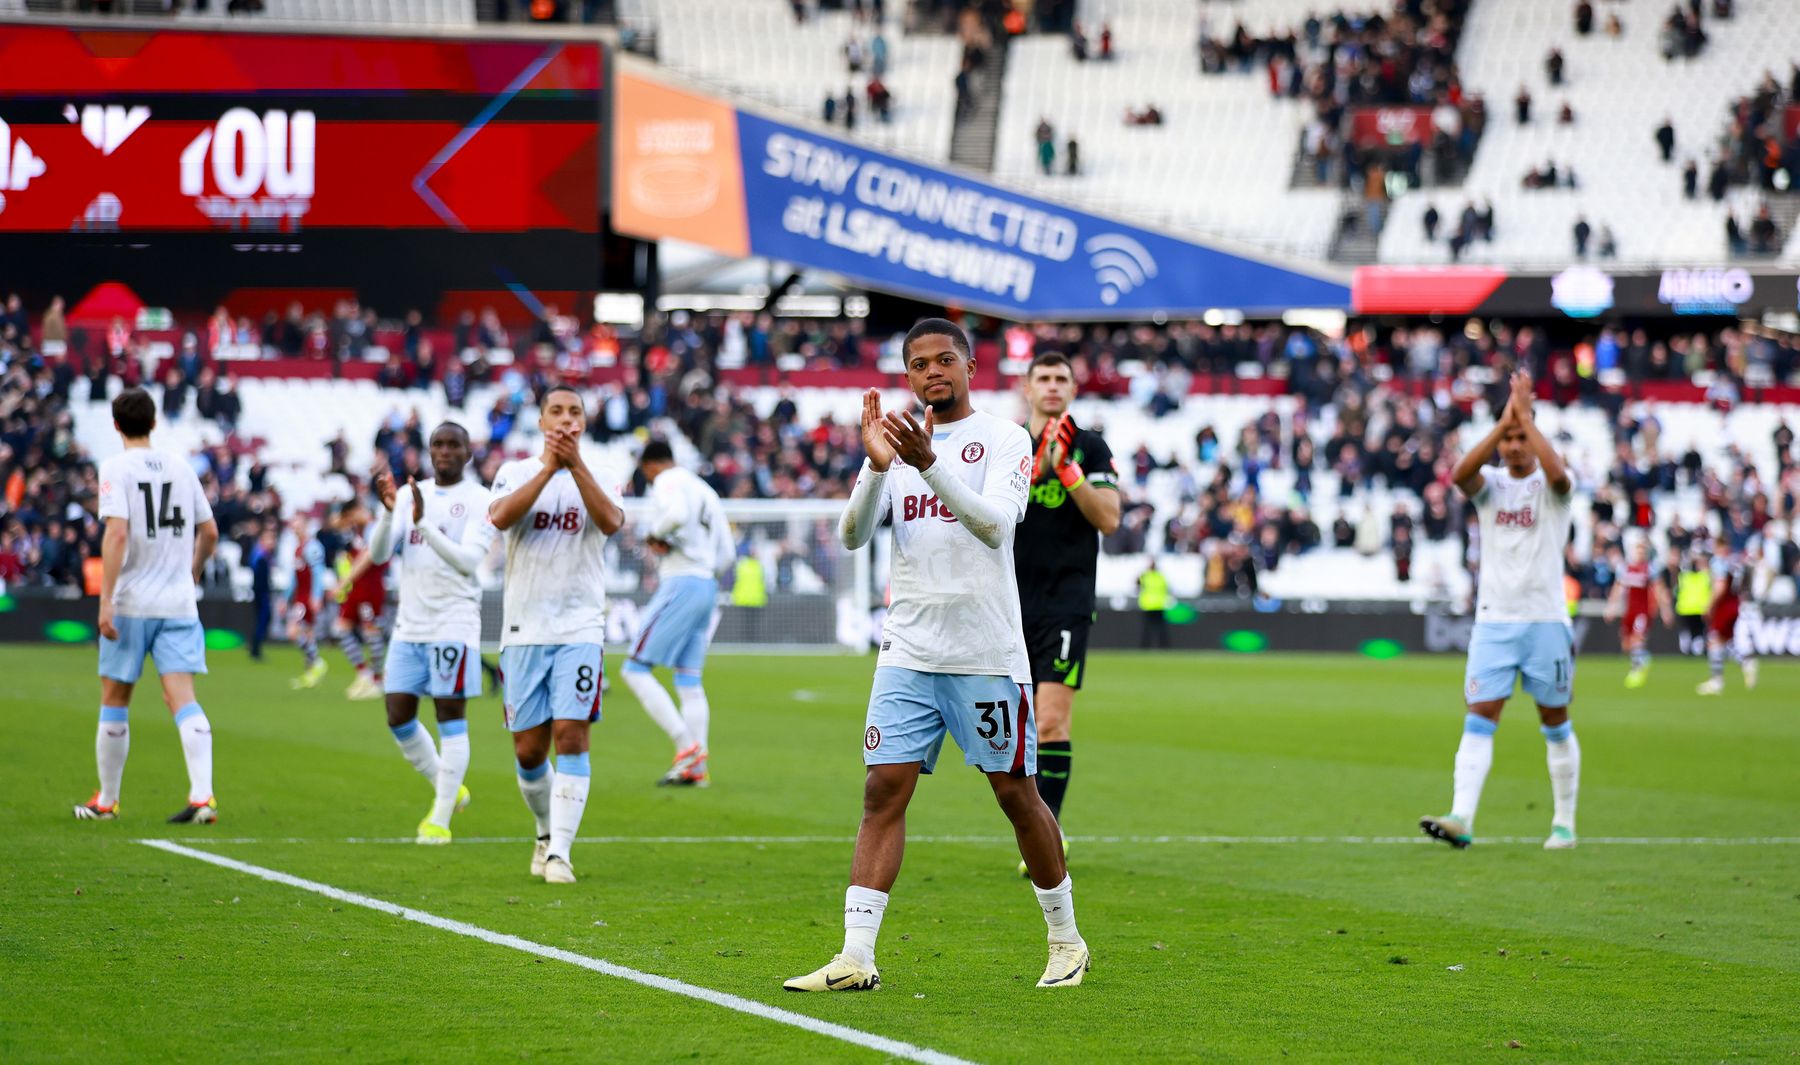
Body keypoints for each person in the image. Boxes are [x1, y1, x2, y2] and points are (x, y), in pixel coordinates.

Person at [784, 319, 1088, 993]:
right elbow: (854, 534)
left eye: (944, 358)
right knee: (880, 790)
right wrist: (873, 465)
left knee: (1016, 794)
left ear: (971, 366)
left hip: (984, 650)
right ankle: (856, 955)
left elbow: (996, 524)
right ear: (908, 373)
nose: (932, 371)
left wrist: (927, 463)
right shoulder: (894, 446)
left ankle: (1066, 939)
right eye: (918, 362)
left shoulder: (1005, 438)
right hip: (908, 649)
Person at [1422, 370, 1581, 851]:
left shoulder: (1553, 486)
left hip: (1546, 619)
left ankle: (1564, 824)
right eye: (1508, 438)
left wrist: (1526, 417)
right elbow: (1457, 475)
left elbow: (1557, 475)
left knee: (1554, 719)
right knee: (1479, 714)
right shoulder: (1489, 483)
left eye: (1520, 438)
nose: (1513, 446)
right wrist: (1502, 422)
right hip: (1494, 620)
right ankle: (1461, 817)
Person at [487, 386, 625, 884]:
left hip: (580, 625)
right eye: (557, 411)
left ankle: (561, 853)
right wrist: (549, 467)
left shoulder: (604, 473)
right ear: (542, 420)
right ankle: (546, 831)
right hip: (524, 628)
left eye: (575, 413)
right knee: (528, 750)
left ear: (584, 423)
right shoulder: (516, 471)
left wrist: (575, 467)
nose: (566, 420)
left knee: (572, 734)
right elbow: (499, 517)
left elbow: (610, 522)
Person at [75, 388, 221, 824]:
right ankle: (203, 796)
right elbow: (209, 532)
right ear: (154, 422)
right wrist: (192, 572)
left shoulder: (115, 468)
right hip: (178, 603)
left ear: (116, 425)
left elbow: (117, 534)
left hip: (132, 603)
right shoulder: (180, 466)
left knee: (115, 696)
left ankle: (108, 801)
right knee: (183, 698)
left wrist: (105, 602)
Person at [1011, 352, 1120, 866]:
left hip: (1067, 603)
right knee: (1017, 729)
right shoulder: (1005, 445)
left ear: (1073, 389)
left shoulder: (1091, 446)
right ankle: (1033, 824)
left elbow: (1109, 519)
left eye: (1061, 379)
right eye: (1044, 379)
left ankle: (1045, 839)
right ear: (1026, 387)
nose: (1053, 387)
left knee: (1052, 721)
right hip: (1007, 603)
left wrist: (1067, 472)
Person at [368, 422, 495, 844]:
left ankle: (439, 818)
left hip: (453, 623)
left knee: (449, 717)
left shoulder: (480, 500)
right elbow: (380, 553)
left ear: (468, 452)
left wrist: (425, 526)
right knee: (397, 715)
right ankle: (449, 784)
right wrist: (390, 514)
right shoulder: (406, 495)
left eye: (453, 445)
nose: (444, 451)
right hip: (411, 623)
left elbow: (468, 561)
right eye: (438, 444)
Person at [621, 438, 734, 788]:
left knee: (634, 670)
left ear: (649, 465)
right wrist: (707, 573)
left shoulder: (667, 481)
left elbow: (676, 516)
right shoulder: (705, 489)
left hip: (681, 582)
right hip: (707, 585)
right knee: (689, 680)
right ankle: (696, 772)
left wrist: (653, 534)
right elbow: (727, 553)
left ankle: (688, 749)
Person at [332, 499, 390, 701]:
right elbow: (335, 523)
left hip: (370, 587)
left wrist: (343, 581)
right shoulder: (359, 529)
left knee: (371, 632)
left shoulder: (374, 528)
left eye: (350, 516)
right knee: (341, 628)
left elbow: (367, 558)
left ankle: (376, 680)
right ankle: (364, 674)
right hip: (358, 587)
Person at [1605, 538, 1673, 687]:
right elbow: (1617, 588)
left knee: (1637, 638)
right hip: (1630, 609)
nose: (1640, 553)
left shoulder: (1650, 569)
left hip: (1644, 610)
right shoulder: (1625, 568)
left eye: (1643, 550)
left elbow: (1659, 589)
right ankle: (1644, 659)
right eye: (1638, 550)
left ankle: (1636, 670)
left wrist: (1665, 610)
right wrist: (1611, 607)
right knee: (1626, 644)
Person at [1697, 547, 1757, 694]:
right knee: (1723, 643)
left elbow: (1720, 586)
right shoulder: (1734, 561)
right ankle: (1745, 662)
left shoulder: (1718, 562)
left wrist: (1709, 605)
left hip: (1724, 606)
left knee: (1714, 641)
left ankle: (1717, 681)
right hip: (1734, 604)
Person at [288, 516, 332, 688]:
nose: (295, 529)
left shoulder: (312, 547)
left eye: (298, 526)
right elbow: (294, 577)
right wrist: (286, 598)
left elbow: (318, 573)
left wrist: (316, 596)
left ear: (306, 527)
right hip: (300, 595)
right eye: (293, 526)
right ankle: (310, 673)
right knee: (308, 635)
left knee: (293, 631)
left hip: (306, 597)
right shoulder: (298, 548)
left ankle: (318, 662)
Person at [248, 525, 277, 661]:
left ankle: (255, 647)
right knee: (262, 620)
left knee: (262, 620)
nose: (272, 542)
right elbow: (260, 580)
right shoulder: (261, 557)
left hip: (261, 593)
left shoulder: (261, 555)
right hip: (261, 594)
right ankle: (255, 649)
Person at [1138, 558, 1170, 648]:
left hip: (1149, 605)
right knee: (1160, 628)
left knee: (1147, 628)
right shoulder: (1161, 576)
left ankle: (1145, 646)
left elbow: (1136, 582)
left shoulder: (1145, 576)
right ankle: (1163, 646)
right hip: (1159, 605)